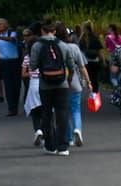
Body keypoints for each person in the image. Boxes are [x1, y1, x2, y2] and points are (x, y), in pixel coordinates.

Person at [28, 22, 71, 155]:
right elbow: (71, 65)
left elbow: (33, 66)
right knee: (62, 114)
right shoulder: (63, 45)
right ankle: (63, 147)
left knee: (46, 114)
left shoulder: (37, 45)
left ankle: (50, 145)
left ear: (42, 30)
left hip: (45, 85)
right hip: (62, 85)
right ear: (55, 31)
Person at [57, 23, 92, 148]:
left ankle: (69, 137)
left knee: (63, 110)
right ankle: (78, 129)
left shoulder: (55, 47)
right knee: (76, 109)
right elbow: (82, 67)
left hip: (60, 82)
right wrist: (88, 82)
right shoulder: (74, 47)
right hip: (75, 82)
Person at [0, 18, 20, 115]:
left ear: (5, 24)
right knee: (8, 86)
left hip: (15, 62)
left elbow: (12, 39)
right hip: (4, 63)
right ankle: (11, 108)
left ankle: (15, 104)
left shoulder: (11, 33)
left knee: (16, 85)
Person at [78, 21, 102, 90]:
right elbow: (99, 50)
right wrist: (102, 60)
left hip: (86, 61)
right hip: (95, 61)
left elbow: (80, 51)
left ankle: (90, 94)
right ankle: (95, 96)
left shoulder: (82, 38)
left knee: (89, 79)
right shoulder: (95, 37)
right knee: (95, 79)